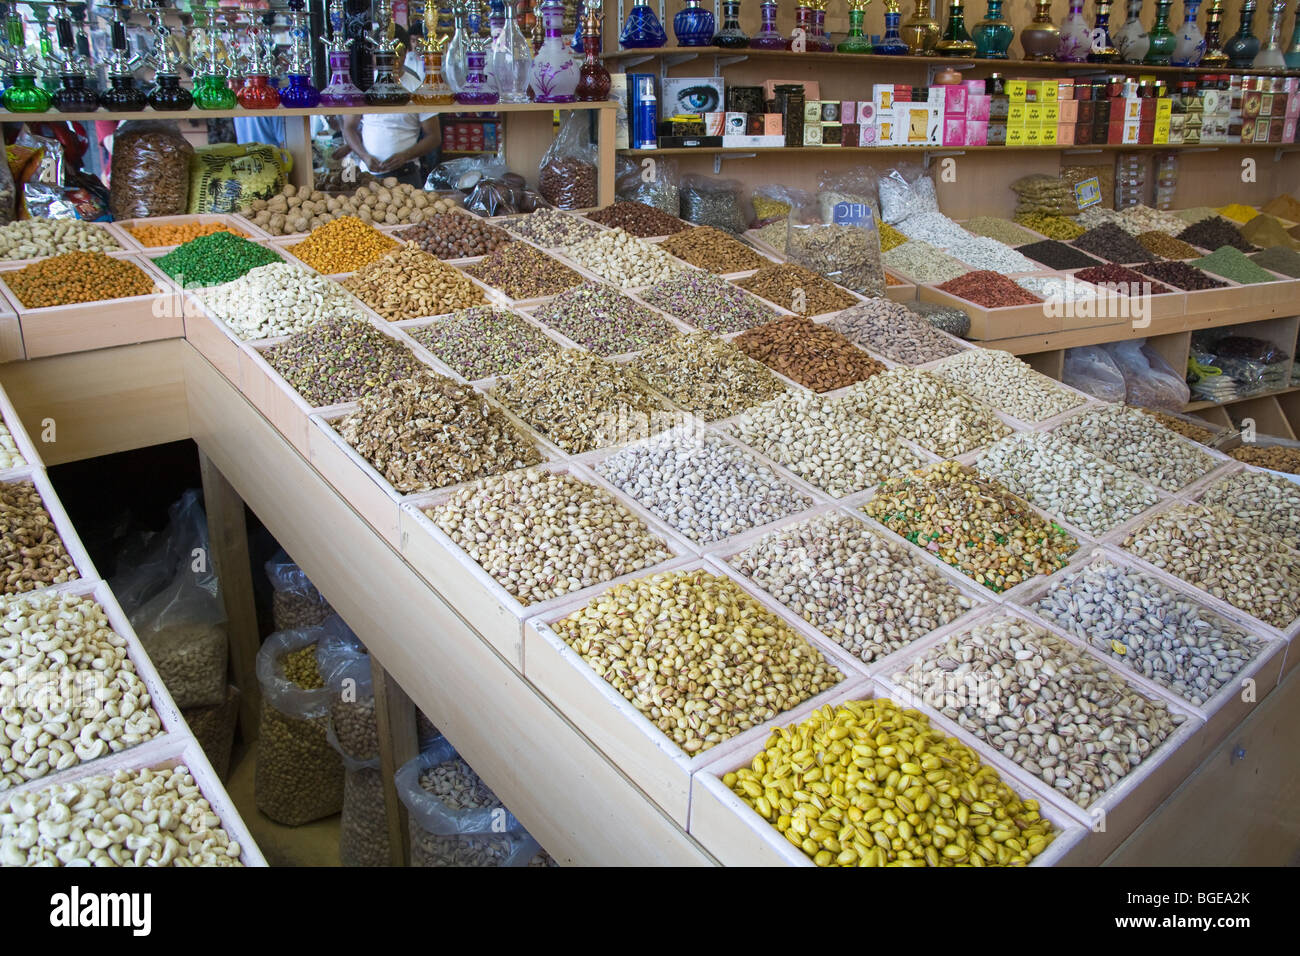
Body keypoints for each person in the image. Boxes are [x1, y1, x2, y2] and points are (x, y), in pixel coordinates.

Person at [339, 28, 441, 188]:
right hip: (367, 175)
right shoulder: (364, 84)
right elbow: (349, 127)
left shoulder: (417, 87)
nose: (390, 60)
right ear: (373, 53)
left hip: (406, 175)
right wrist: (364, 155)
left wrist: (406, 155)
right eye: (382, 54)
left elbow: (434, 136)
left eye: (396, 54)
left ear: (406, 52)